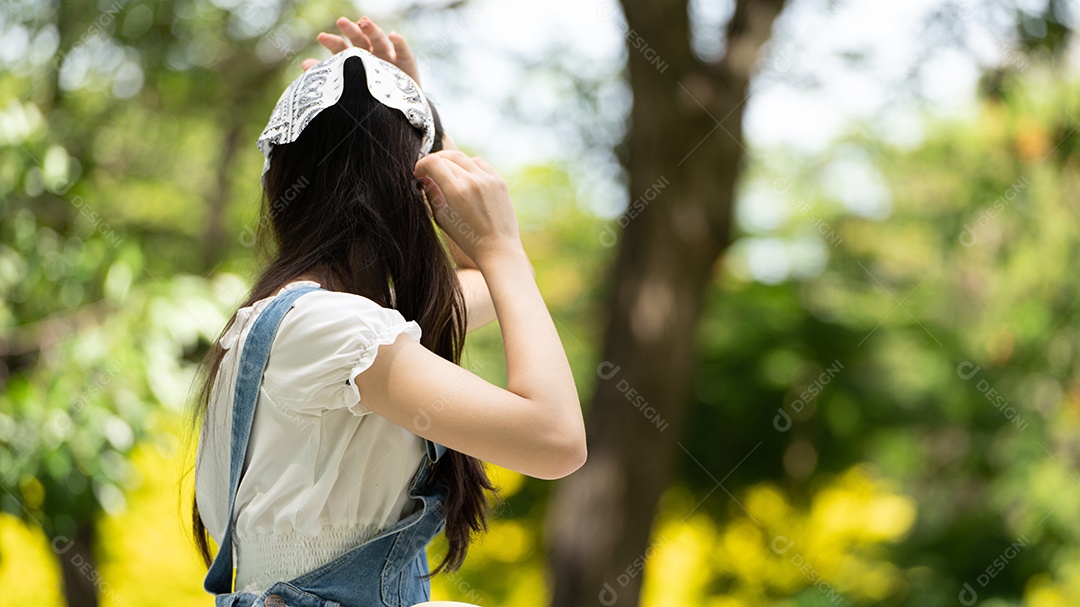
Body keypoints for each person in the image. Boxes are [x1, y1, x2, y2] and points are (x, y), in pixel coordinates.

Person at [189, 15, 587, 607]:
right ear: (413, 194)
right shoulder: (336, 332)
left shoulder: (305, 325)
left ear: (279, 190)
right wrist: (501, 243)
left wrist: (428, 128)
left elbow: (484, 286)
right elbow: (556, 440)